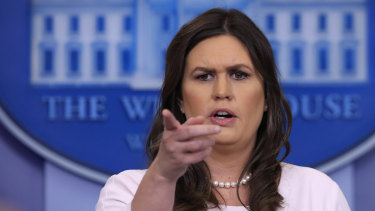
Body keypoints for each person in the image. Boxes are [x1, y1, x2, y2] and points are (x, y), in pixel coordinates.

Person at [96, 8, 350, 211]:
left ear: (267, 98)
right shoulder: (127, 191)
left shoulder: (316, 193)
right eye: (204, 76)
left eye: (239, 75)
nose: (221, 91)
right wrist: (163, 177)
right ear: (180, 100)